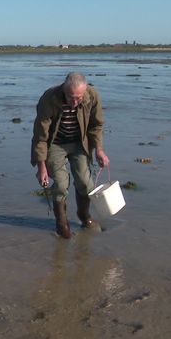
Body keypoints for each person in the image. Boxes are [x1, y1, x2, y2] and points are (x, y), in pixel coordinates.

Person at [31, 72, 110, 239]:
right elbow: (40, 136)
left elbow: (96, 125)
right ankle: (61, 224)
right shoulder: (49, 98)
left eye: (79, 98)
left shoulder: (93, 96)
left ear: (85, 91)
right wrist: (41, 167)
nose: (74, 102)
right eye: (70, 97)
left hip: (80, 143)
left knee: (85, 183)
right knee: (60, 185)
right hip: (55, 143)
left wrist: (99, 150)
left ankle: (84, 217)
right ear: (63, 90)